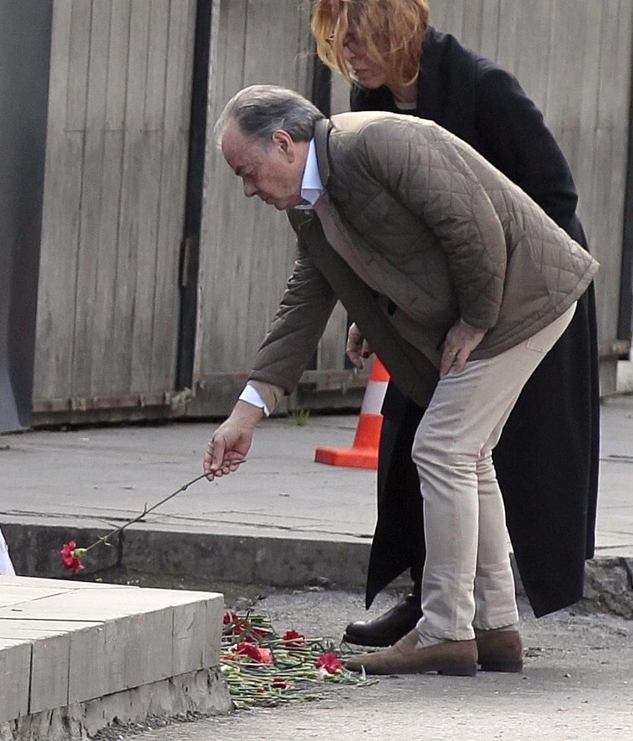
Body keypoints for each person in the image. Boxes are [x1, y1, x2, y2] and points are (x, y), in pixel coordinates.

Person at [204, 85, 596, 676]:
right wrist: (245, 415)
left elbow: (471, 223)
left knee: (441, 448)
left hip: (523, 298)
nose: (249, 189)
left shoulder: (374, 143)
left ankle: (445, 629)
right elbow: (305, 305)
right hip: (504, 300)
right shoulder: (311, 207)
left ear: (284, 144)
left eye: (248, 171)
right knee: (470, 455)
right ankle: (494, 628)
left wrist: (476, 317)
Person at [311, 0, 600, 646]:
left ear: (395, 29)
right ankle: (440, 601)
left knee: (475, 450)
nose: (348, 55)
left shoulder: (484, 89)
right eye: (341, 42)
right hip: (438, 303)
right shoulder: (369, 101)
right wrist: (370, 309)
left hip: (529, 291)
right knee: (421, 441)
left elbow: (556, 197)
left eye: (358, 38)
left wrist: (486, 307)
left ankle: (469, 618)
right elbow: (386, 223)